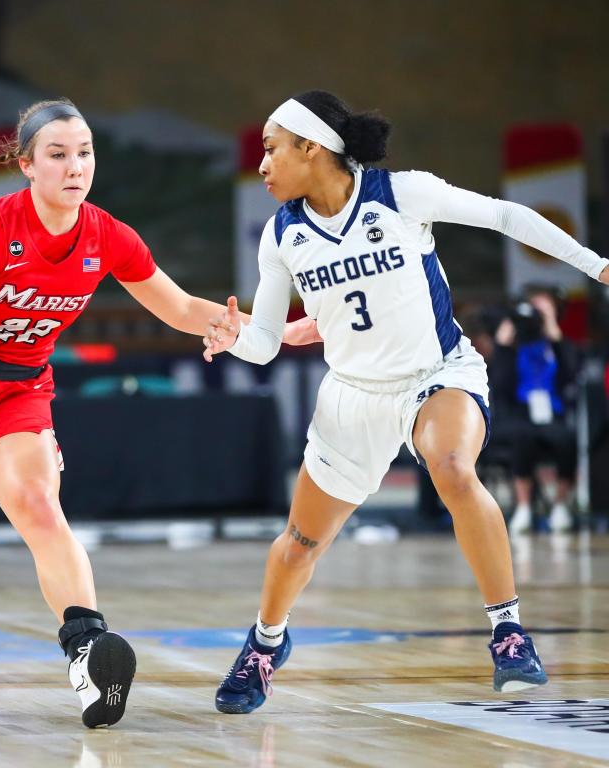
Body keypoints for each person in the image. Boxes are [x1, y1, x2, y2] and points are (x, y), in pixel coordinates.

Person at [0, 97, 320, 729]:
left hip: (15, 390)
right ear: (28, 166)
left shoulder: (108, 235)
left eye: (84, 152)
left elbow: (178, 308)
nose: (75, 166)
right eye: (58, 155)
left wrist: (279, 331)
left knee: (39, 504)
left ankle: (88, 649)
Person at [202, 90, 609, 712]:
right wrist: (237, 338)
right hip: (352, 396)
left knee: (451, 465)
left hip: (437, 372)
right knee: (300, 545)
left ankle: (508, 631)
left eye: (271, 148)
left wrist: (597, 265)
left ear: (312, 149)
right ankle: (265, 643)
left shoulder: (399, 194)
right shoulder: (282, 235)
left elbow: (506, 215)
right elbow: (264, 345)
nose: (261, 164)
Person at [490, 288, 579, 533]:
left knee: (568, 439)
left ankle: (560, 505)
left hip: (552, 414)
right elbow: (500, 385)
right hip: (519, 415)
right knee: (522, 436)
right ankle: (524, 507)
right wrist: (502, 346)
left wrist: (553, 333)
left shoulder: (557, 344)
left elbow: (570, 377)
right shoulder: (512, 345)